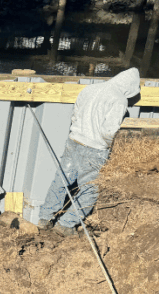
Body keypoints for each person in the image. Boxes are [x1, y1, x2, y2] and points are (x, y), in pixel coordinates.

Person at [37, 67, 140, 236]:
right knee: (90, 190)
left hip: (74, 142)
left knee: (61, 181)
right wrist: (111, 148)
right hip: (95, 149)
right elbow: (109, 131)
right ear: (130, 87)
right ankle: (65, 225)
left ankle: (44, 218)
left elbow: (75, 115)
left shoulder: (89, 89)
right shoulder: (119, 99)